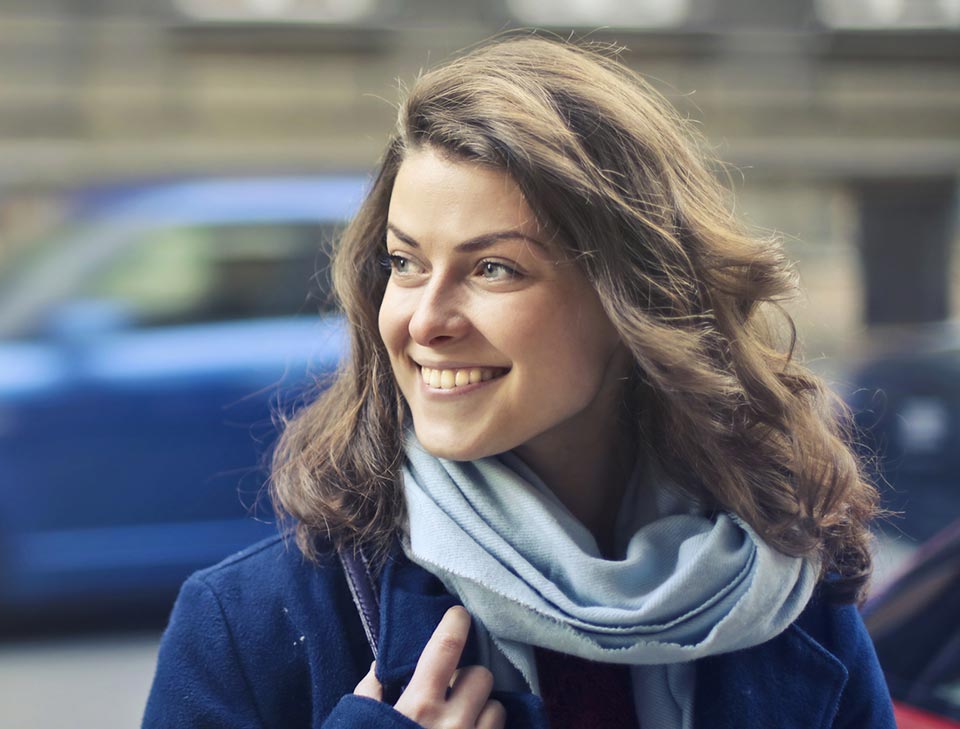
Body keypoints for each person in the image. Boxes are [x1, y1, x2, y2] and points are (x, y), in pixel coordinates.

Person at [142, 35, 894, 729]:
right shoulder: (247, 626)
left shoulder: (787, 597)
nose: (424, 320)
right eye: (405, 263)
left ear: (631, 301)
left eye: (492, 268)